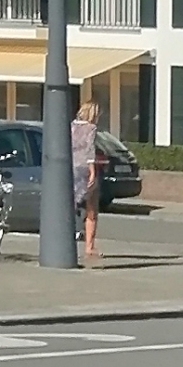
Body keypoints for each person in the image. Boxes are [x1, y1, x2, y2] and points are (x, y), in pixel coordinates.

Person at [70, 103, 100, 264]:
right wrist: (93, 170)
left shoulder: (70, 127)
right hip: (84, 168)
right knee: (91, 208)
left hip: (70, 167)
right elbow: (90, 149)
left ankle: (69, 239)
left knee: (71, 204)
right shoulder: (91, 128)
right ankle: (89, 246)